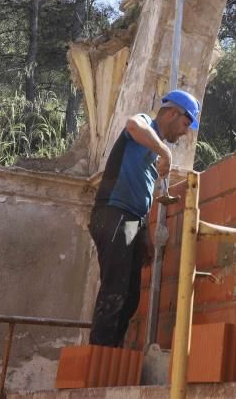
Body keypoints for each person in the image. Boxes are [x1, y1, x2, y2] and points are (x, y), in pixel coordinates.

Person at [87, 89, 200, 347]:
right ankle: (97, 356)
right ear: (172, 112)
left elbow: (142, 194)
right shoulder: (145, 125)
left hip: (131, 221)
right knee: (115, 289)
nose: (184, 132)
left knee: (130, 296)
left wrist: (145, 236)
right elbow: (132, 125)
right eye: (185, 123)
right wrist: (166, 152)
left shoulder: (152, 148)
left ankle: (111, 354)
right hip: (113, 213)